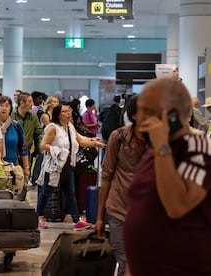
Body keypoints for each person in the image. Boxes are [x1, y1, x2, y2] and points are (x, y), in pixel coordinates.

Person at [124, 77, 211, 275]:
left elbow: (177, 205)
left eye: (149, 111)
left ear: (174, 114)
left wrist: (162, 146)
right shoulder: (153, 152)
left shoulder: (198, 148)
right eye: (140, 111)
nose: (141, 118)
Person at [94, 95, 148, 276]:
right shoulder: (118, 138)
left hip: (146, 216)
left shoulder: (158, 142)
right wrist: (100, 217)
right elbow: (107, 177)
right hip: (119, 211)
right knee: (125, 263)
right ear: (133, 114)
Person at [36, 104, 105, 230]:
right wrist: (57, 150)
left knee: (70, 192)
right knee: (47, 190)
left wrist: (94, 142)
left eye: (69, 111)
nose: (68, 113)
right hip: (54, 165)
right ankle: (39, 217)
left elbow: (80, 141)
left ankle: (76, 220)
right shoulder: (53, 128)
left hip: (68, 165)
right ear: (58, 114)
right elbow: (43, 145)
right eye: (64, 111)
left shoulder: (70, 127)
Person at [0, 96, 29, 177]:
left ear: (10, 108)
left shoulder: (16, 125)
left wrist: (26, 167)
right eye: (1, 105)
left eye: (7, 106)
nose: (4, 108)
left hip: (12, 166)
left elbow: (23, 148)